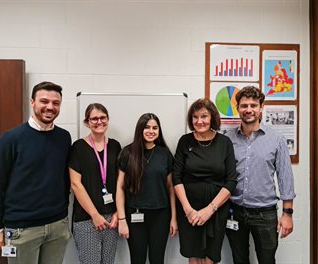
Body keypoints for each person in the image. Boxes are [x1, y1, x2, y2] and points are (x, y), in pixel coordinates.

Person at [0, 81, 72, 264]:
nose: (50, 107)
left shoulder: (64, 137)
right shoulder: (10, 140)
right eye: (44, 101)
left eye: (55, 103)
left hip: (58, 226)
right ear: (32, 102)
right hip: (22, 230)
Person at [225, 86, 296, 264]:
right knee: (239, 260)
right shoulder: (228, 139)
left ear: (261, 108)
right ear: (237, 108)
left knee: (267, 260)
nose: (248, 110)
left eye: (253, 105)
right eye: (244, 106)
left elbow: (285, 177)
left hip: (265, 214)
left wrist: (287, 214)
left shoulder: (276, 139)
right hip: (235, 212)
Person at [172, 99, 237, 264]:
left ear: (212, 118)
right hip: (189, 208)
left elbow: (231, 181)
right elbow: (176, 177)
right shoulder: (185, 141)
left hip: (216, 208)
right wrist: (188, 210)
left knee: (210, 258)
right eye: (195, 117)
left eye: (204, 116)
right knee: (193, 257)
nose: (199, 121)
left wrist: (209, 210)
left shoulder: (224, 142)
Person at [116, 113, 177, 264]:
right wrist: (122, 219)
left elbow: (171, 189)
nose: (151, 131)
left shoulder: (165, 154)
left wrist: (174, 218)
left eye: (155, 128)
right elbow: (120, 188)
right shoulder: (127, 153)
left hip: (161, 216)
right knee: (137, 260)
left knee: (158, 260)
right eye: (147, 127)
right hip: (134, 214)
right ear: (140, 129)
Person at [68, 103, 121, 264]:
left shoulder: (115, 146)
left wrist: (118, 212)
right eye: (94, 119)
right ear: (87, 122)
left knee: (108, 262)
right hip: (87, 219)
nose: (99, 122)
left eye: (102, 118)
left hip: (112, 218)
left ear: (108, 120)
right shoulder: (78, 147)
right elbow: (75, 184)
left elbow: (120, 182)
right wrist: (95, 215)